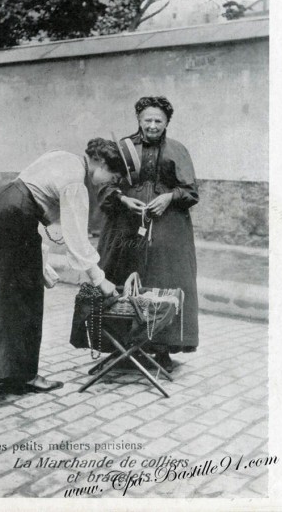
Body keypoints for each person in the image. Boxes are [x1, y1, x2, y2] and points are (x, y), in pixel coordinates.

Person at [0, 138, 126, 394]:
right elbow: (77, 240)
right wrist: (100, 280)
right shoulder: (76, 181)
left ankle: (0, 370)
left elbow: (38, 202)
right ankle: (23, 375)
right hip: (13, 219)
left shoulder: (63, 156)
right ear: (98, 161)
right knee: (25, 297)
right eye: (112, 176)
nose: (109, 182)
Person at [97, 96, 199, 372]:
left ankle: (161, 348)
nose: (153, 126)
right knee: (120, 276)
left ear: (167, 122)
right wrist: (122, 199)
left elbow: (190, 191)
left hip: (167, 226)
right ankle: (120, 346)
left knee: (163, 276)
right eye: (147, 120)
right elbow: (104, 186)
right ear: (139, 120)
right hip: (125, 225)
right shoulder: (123, 150)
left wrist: (168, 197)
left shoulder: (177, 150)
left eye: (158, 121)